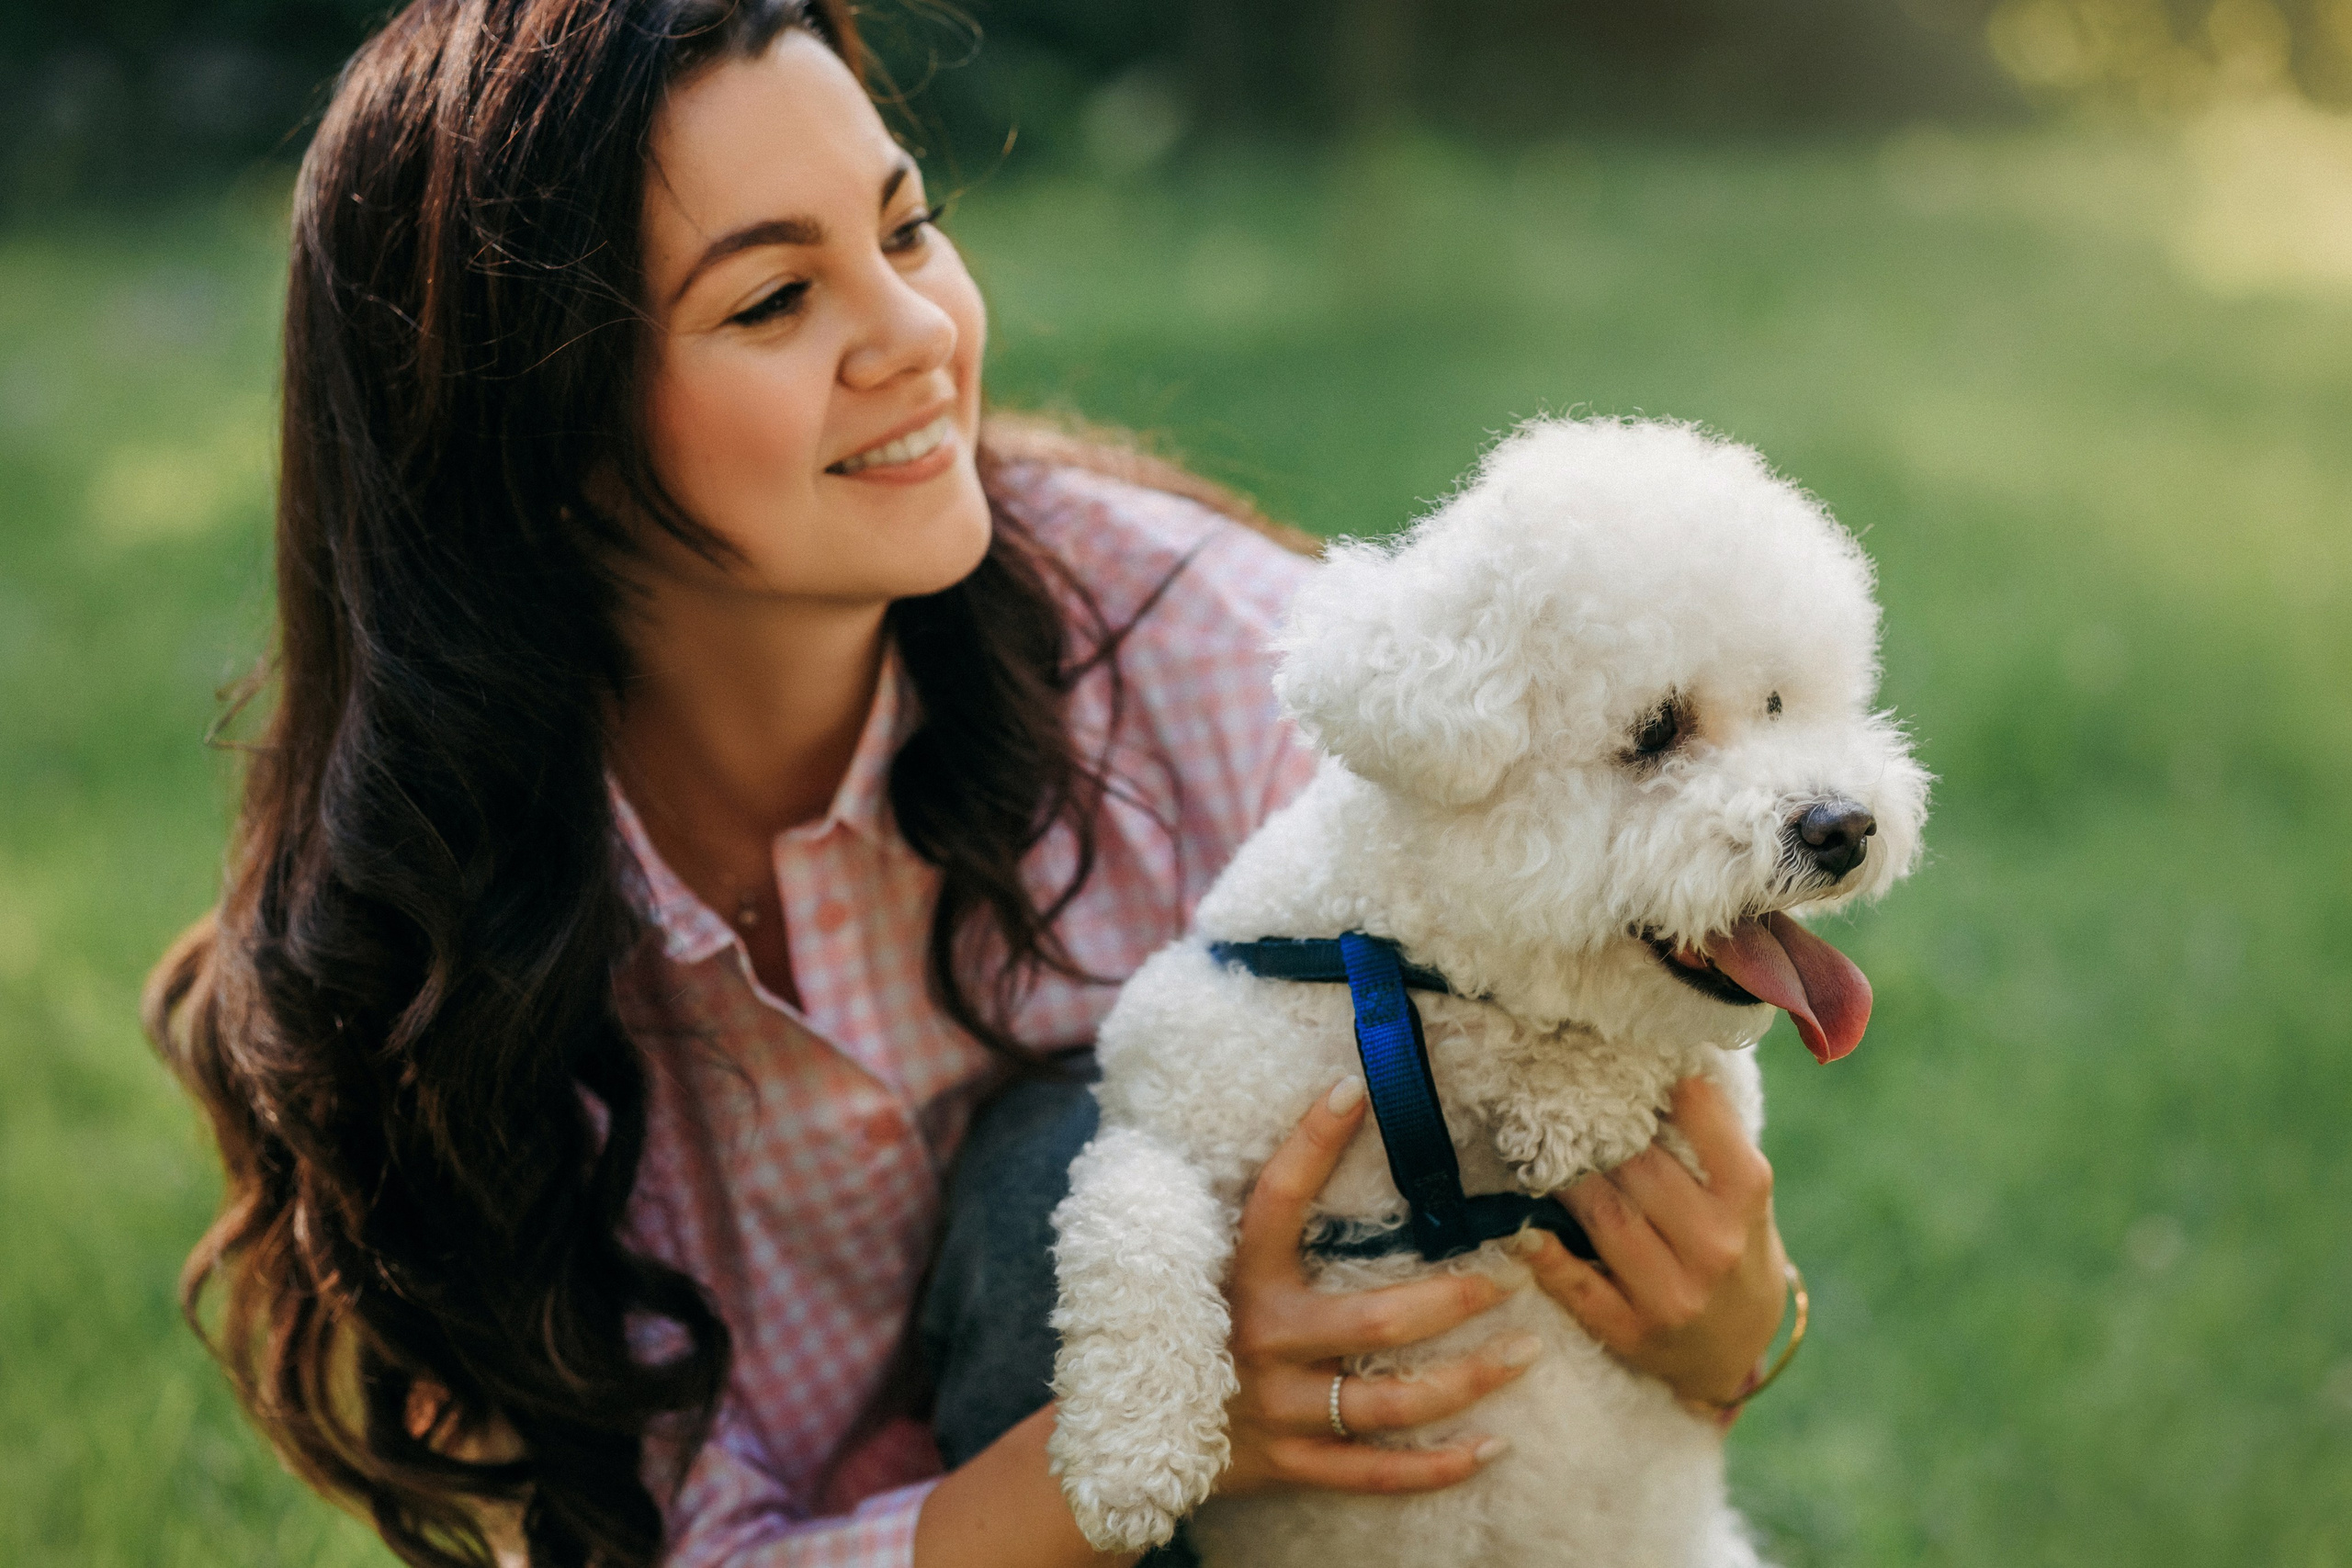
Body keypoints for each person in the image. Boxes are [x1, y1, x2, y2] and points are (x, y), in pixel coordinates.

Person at [142, 3, 1793, 1565]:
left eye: (907, 228)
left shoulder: (1199, 655)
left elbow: (1596, 1179)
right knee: (1056, 1199)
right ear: (537, 433)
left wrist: (1734, 1323)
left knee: (1056, 1164)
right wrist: (1146, 1440)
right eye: (774, 299)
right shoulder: (430, 948)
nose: (918, 332)